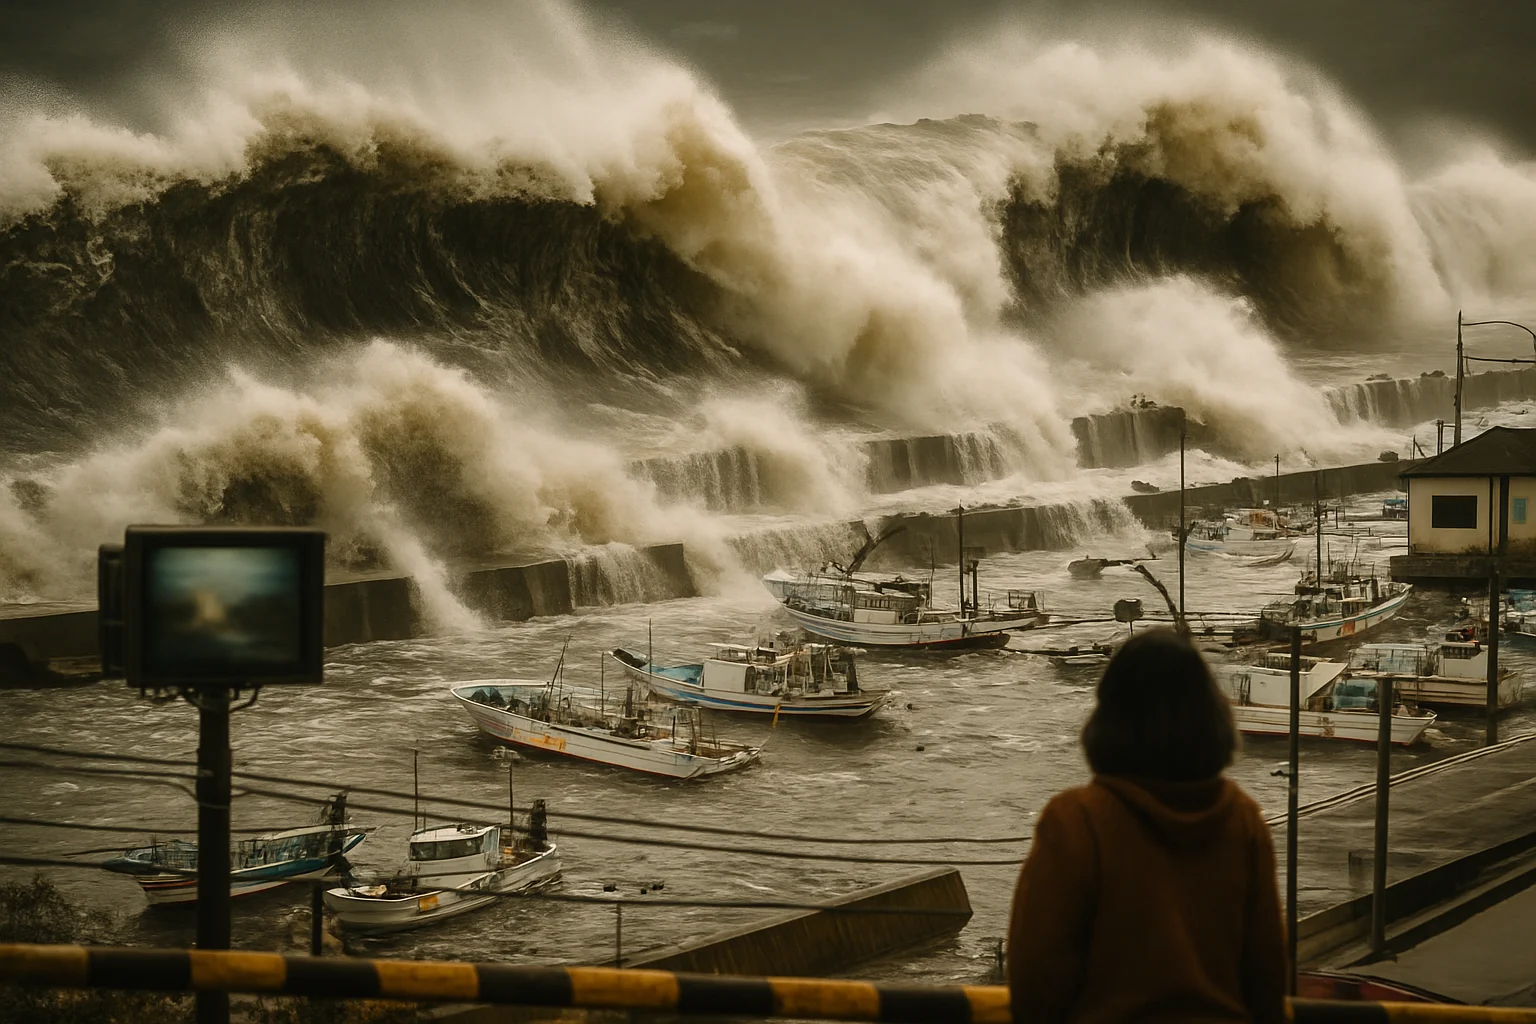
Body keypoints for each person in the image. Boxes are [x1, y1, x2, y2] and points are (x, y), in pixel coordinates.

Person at [1008, 628, 1286, 1023]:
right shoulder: (1243, 820)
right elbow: (1268, 977)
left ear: (1109, 716)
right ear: (1211, 714)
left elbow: (1036, 979)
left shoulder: (1077, 821)